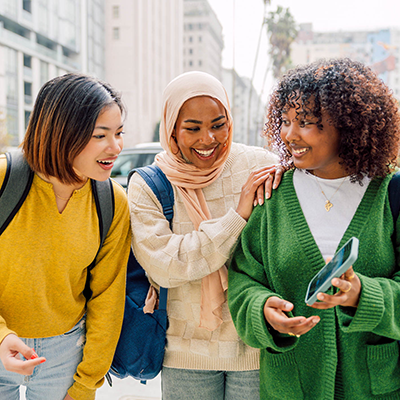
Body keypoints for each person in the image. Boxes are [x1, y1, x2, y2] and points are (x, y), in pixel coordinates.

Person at [228, 58, 400, 399]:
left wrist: (362, 296)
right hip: (290, 387)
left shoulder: (390, 195)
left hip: (373, 387)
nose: (290, 134)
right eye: (287, 121)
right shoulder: (273, 194)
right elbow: (242, 279)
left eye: (306, 123)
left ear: (349, 127)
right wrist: (262, 310)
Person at [128, 71, 281, 399]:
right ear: (171, 129)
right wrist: (237, 216)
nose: (208, 139)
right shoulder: (149, 185)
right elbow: (166, 266)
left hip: (253, 347)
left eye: (218, 124)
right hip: (186, 354)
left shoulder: (260, 165)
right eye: (192, 129)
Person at [0, 73, 131, 400]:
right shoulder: (5, 178)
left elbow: (107, 299)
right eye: (100, 135)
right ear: (61, 132)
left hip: (65, 353)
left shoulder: (112, 202)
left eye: (118, 133)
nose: (115, 147)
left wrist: (86, 384)